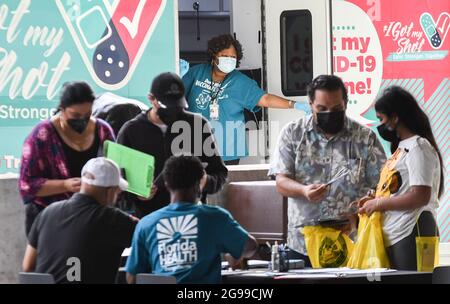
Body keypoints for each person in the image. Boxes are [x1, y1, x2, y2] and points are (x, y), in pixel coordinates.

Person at [268, 75, 386, 266]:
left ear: (346, 104)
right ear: (311, 104)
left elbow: (382, 187)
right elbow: (281, 182)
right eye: (322, 109)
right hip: (303, 243)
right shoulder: (293, 134)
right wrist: (303, 191)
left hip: (351, 242)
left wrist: (360, 213)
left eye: (336, 109)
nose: (329, 113)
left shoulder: (364, 138)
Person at [125, 155, 258, 284]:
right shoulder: (215, 217)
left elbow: (132, 277)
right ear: (201, 181)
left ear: (166, 183)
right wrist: (236, 254)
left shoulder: (145, 224)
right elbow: (250, 246)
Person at [117, 72, 228, 218]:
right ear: (151, 99)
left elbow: (220, 173)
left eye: (178, 106)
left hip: (191, 218)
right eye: (167, 107)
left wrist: (206, 182)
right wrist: (135, 194)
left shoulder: (198, 125)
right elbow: (116, 181)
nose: (173, 112)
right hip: (149, 220)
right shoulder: (131, 131)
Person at [358, 86, 443, 270]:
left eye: (381, 118)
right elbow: (398, 189)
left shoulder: (419, 147)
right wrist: (374, 199)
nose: (379, 124)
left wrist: (379, 204)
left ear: (395, 117)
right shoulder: (402, 147)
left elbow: (420, 196)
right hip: (396, 231)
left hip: (412, 229)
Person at [182, 34, 297, 165]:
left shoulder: (241, 81)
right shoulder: (196, 73)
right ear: (214, 56)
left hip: (227, 152)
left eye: (233, 57)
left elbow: (265, 99)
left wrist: (294, 104)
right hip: (195, 147)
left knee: (222, 185)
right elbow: (175, 96)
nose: (229, 60)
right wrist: (177, 76)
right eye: (225, 56)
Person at [19, 82, 115, 235]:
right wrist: (65, 185)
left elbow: (115, 171)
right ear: (62, 109)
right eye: (75, 115)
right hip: (48, 221)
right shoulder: (42, 134)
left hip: (89, 218)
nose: (82, 120)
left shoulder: (103, 130)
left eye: (87, 114)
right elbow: (26, 185)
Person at [22, 157, 137, 284]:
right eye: (117, 192)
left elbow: (28, 266)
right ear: (110, 192)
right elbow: (147, 231)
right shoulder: (112, 218)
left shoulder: (47, 212)